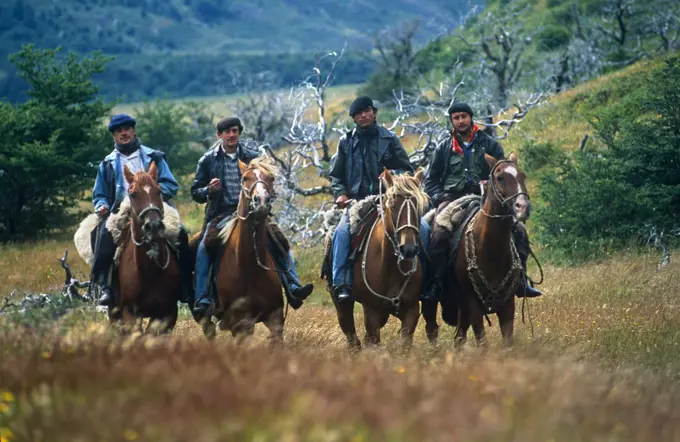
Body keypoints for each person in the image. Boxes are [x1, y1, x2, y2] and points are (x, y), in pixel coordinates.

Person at [191, 117, 314, 318]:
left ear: (239, 132)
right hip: (220, 214)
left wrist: (265, 196)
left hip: (253, 213)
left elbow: (267, 183)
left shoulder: (253, 156)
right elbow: (195, 192)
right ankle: (202, 296)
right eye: (226, 132)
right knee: (204, 247)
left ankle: (293, 285)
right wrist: (208, 190)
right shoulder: (208, 160)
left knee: (279, 241)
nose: (231, 135)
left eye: (234, 131)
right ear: (219, 135)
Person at [423, 102, 542, 300]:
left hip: (486, 199)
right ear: (452, 121)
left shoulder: (490, 144)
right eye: (456, 118)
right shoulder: (443, 148)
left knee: (519, 231)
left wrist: (497, 192)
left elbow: (505, 173)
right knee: (438, 235)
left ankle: (520, 280)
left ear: (471, 118)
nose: (461, 121)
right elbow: (431, 181)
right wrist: (439, 197)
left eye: (464, 116)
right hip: (453, 200)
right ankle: (437, 282)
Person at [328, 96, 431, 303]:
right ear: (354, 119)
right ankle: (341, 283)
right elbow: (336, 175)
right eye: (358, 114)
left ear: (374, 113)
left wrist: (393, 177)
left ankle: (427, 281)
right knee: (340, 232)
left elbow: (407, 168)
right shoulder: (346, 142)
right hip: (357, 202)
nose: (363, 116)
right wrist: (341, 193)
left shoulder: (389, 138)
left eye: (367, 111)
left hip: (390, 198)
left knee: (425, 228)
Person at [91, 113, 194, 306]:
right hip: (122, 210)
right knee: (101, 236)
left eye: (127, 129)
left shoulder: (154, 156)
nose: (124, 134)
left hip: (154, 205)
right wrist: (101, 205)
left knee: (181, 235)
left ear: (134, 131)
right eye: (119, 131)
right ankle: (104, 287)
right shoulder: (107, 163)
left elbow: (171, 184)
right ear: (114, 136)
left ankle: (186, 286)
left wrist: (153, 193)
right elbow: (99, 194)